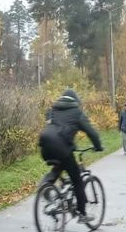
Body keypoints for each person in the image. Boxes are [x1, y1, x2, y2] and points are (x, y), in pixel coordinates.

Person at [38, 89, 103, 219]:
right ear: (75, 101)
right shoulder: (77, 112)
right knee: (77, 180)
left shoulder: (53, 110)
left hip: (45, 144)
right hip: (62, 147)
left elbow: (51, 123)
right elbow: (91, 132)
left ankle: (45, 186)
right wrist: (98, 146)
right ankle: (82, 213)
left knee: (59, 167)